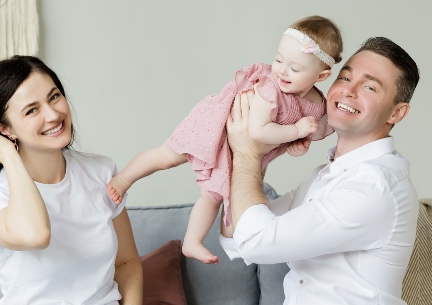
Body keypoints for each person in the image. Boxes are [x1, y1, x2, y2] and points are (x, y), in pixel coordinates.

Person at [0, 56, 177, 305]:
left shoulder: (100, 172)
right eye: (32, 110)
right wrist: (8, 156)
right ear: (4, 129)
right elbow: (36, 235)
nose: (52, 114)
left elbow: (125, 260)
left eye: (54, 97)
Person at [222, 37, 420, 305]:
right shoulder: (326, 175)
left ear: (396, 113)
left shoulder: (374, 186)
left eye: (370, 87)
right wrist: (259, 152)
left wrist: (247, 154)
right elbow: (237, 234)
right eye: (345, 76)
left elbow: (257, 241)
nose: (348, 91)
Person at [105, 16, 342, 264]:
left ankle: (192, 242)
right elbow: (258, 131)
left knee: (212, 196)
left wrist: (297, 144)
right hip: (215, 126)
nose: (281, 70)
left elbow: (306, 133)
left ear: (321, 76)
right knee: (166, 156)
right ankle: (123, 179)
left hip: (239, 151)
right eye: (278, 59)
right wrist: (294, 131)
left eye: (294, 68)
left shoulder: (316, 105)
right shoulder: (269, 88)